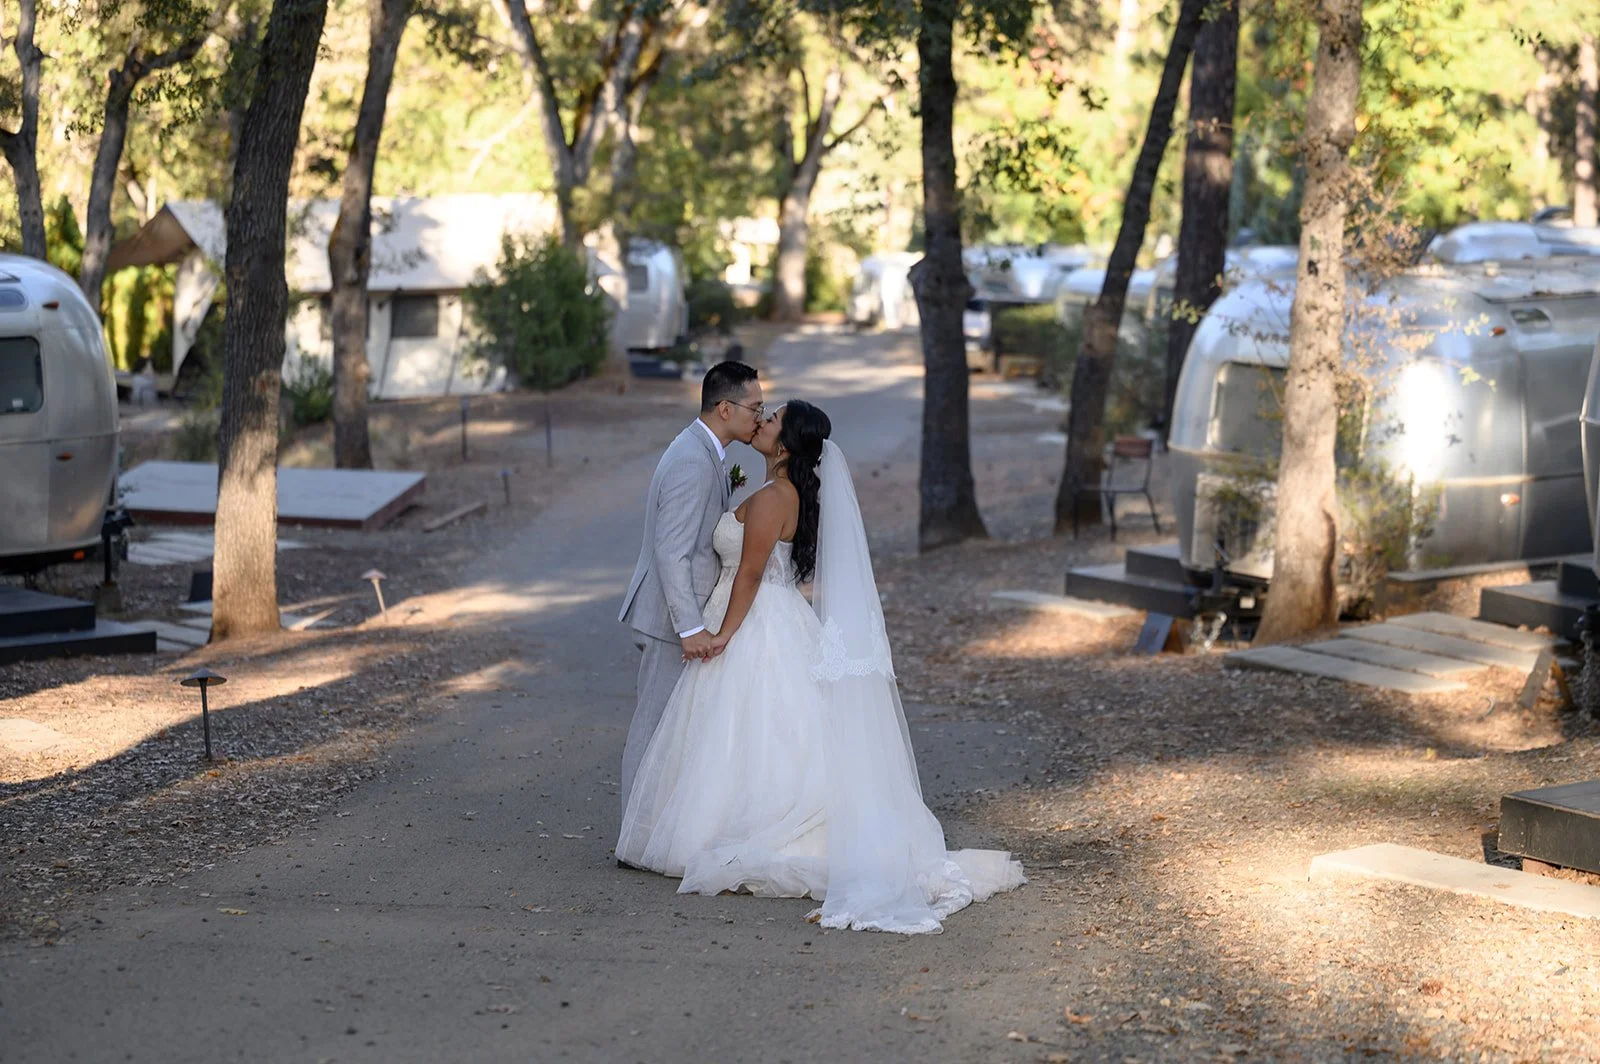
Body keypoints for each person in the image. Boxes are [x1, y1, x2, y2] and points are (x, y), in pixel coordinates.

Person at [617, 400, 1025, 934]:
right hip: (772, 615)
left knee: (753, 727)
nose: (762, 420)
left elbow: (750, 575)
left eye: (772, 418)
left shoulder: (773, 498)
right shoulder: (782, 492)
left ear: (786, 444)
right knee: (762, 729)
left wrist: (722, 634)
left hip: (756, 621)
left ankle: (741, 830)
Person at [617, 361, 764, 818]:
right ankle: (634, 834)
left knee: (673, 731)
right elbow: (672, 552)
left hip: (681, 618)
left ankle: (655, 827)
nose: (760, 417)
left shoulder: (704, 452)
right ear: (725, 408)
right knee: (654, 728)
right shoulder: (691, 462)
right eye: (755, 408)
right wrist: (690, 628)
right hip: (670, 620)